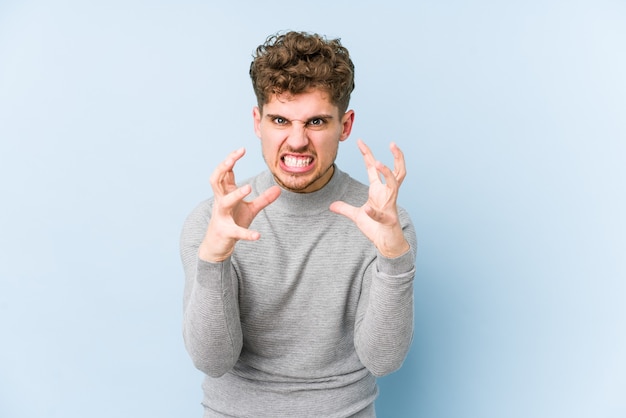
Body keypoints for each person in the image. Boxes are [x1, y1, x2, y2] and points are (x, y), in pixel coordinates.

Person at [180, 30, 417, 418]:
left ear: (345, 125)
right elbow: (213, 361)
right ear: (258, 122)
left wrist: (394, 258)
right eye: (279, 120)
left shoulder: (387, 224)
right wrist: (215, 257)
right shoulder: (214, 221)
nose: (296, 141)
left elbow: (383, 360)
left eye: (316, 122)